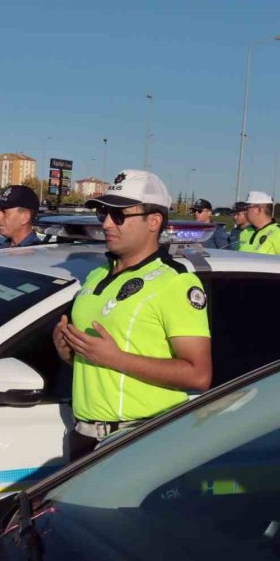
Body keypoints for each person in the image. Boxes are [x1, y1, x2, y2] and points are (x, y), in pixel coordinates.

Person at [53, 170, 212, 461]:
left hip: (138, 440)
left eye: (119, 215)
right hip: (84, 437)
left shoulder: (175, 282)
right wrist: (68, 351)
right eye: (103, 214)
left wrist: (116, 358)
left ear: (154, 221)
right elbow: (96, 363)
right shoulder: (96, 274)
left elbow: (199, 375)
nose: (107, 223)